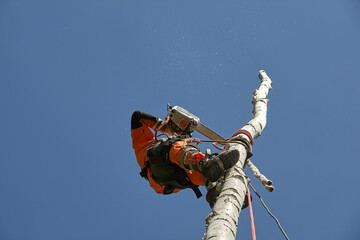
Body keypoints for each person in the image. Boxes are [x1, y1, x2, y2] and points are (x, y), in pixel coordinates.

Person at [131, 110, 240, 206]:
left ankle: (216, 189)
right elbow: (137, 116)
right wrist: (167, 127)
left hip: (172, 182)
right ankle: (204, 164)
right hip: (157, 168)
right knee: (172, 147)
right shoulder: (144, 144)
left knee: (199, 167)